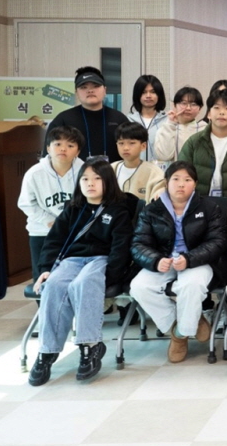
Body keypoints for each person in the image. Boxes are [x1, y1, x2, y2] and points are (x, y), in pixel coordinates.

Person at [27, 159, 136, 386]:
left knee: (84, 283)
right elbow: (53, 241)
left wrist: (111, 278)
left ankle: (90, 345)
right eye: (85, 179)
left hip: (101, 260)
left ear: (108, 182)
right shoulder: (73, 208)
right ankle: (47, 351)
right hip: (72, 260)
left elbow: (120, 248)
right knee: (53, 285)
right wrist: (46, 269)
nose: (90, 183)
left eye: (97, 178)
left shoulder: (119, 210)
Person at [130, 161, 227, 363]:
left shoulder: (210, 208)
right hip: (164, 261)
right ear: (166, 182)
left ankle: (180, 336)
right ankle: (185, 322)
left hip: (197, 261)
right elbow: (138, 243)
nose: (181, 184)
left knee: (191, 285)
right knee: (139, 287)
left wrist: (189, 259)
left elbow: (217, 242)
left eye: (187, 180)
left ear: (195, 184)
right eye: (176, 179)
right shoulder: (152, 210)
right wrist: (155, 260)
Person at [19, 126, 85, 281]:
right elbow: (26, 203)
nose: (63, 149)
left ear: (78, 151)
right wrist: (49, 220)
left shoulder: (86, 172)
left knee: (74, 276)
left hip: (76, 231)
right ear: (48, 148)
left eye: (70, 145)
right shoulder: (34, 173)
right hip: (42, 231)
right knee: (42, 277)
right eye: (57, 144)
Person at [178, 90, 227, 221]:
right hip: (196, 209)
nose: (221, 112)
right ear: (209, 113)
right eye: (216, 108)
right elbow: (181, 175)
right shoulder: (194, 142)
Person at [46, 66, 130, 162]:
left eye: (96, 86)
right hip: (74, 171)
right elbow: (48, 156)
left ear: (105, 90)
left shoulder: (119, 119)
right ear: (76, 93)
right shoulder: (63, 120)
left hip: (114, 171)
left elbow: (131, 151)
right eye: (83, 87)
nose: (90, 90)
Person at [111, 121, 165, 203]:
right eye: (121, 143)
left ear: (143, 146)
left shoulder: (155, 173)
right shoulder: (110, 169)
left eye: (132, 143)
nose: (125, 148)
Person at [154, 86, 207, 163]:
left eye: (193, 104)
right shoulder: (166, 128)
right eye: (184, 103)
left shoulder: (204, 129)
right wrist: (170, 124)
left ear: (200, 108)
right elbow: (164, 156)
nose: (188, 108)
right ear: (174, 105)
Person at [127, 75, 168, 163]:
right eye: (144, 92)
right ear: (137, 95)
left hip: (161, 169)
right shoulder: (128, 120)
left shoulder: (168, 120)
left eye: (153, 92)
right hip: (136, 169)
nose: (148, 96)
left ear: (159, 95)